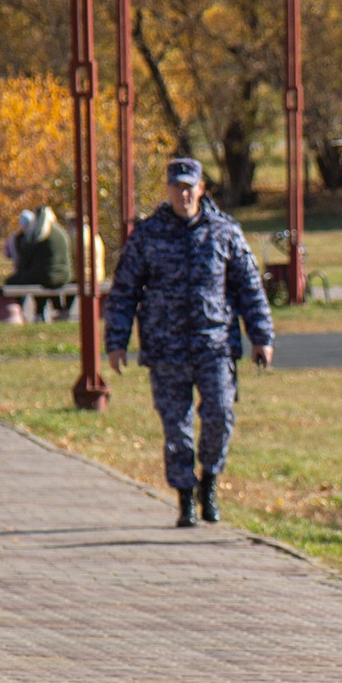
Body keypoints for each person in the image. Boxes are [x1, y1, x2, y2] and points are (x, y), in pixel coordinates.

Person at [106, 157, 274, 527]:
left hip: (214, 345)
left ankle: (209, 481)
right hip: (165, 348)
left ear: (201, 188)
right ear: (167, 190)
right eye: (176, 187)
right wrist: (116, 340)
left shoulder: (224, 232)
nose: (183, 193)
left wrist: (261, 336)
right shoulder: (148, 236)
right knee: (176, 428)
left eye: (189, 186)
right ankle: (185, 497)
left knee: (219, 415)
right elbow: (124, 292)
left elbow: (249, 288)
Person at [6, 204, 77, 320]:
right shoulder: (61, 231)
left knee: (15, 281)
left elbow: (25, 258)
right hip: (65, 275)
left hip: (49, 276)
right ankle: (45, 311)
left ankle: (14, 313)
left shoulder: (41, 233)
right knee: (37, 276)